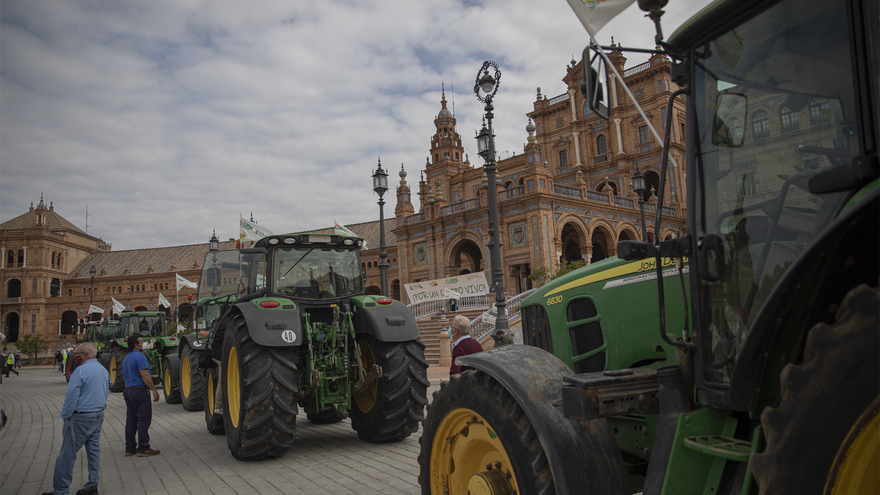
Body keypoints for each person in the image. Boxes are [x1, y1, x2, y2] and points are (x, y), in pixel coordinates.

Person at [42, 342, 110, 495]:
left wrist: (66, 416)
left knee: (67, 454)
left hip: (80, 417)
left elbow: (71, 397)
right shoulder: (103, 370)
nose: (75, 357)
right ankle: (92, 485)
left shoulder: (80, 371)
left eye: (77, 354)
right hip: (98, 415)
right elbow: (105, 391)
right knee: (93, 452)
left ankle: (60, 490)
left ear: (85, 355)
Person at [122, 333, 161, 457]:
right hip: (139, 391)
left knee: (131, 419)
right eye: (141, 341)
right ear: (136, 345)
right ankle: (143, 447)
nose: (143, 343)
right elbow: (145, 375)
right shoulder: (140, 357)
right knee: (144, 418)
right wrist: (154, 389)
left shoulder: (126, 358)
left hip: (128, 390)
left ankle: (130, 447)